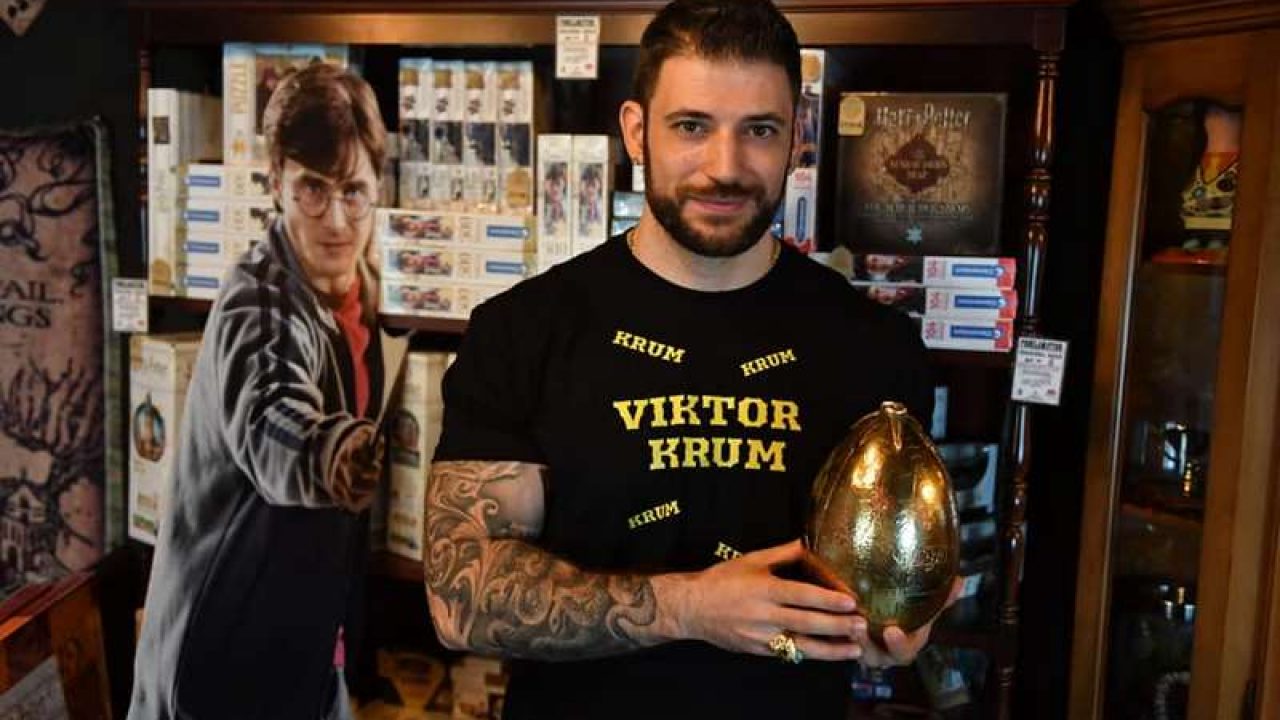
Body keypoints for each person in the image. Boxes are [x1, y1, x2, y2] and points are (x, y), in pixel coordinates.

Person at [424, 1, 956, 717]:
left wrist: (893, 624)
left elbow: (885, 581)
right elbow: (458, 600)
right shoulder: (524, 330)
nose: (725, 168)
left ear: (797, 138)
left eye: (759, 130)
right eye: (692, 127)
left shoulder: (874, 346)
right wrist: (688, 608)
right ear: (635, 132)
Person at [130, 63, 391, 720]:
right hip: (217, 672)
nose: (336, 219)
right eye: (312, 190)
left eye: (354, 191)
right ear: (275, 183)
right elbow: (274, 418)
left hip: (301, 651)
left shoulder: (360, 292)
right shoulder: (260, 301)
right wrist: (333, 453)